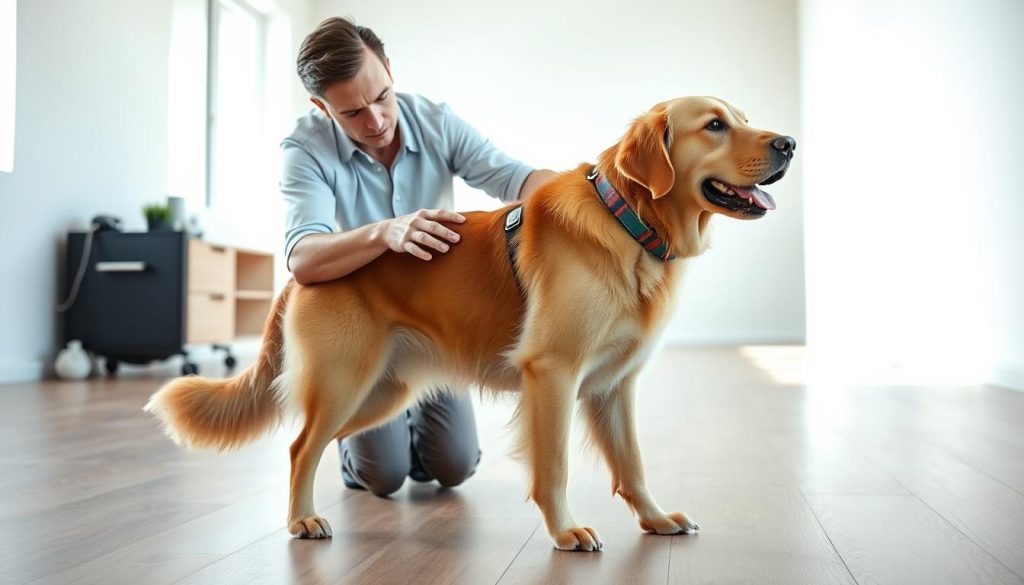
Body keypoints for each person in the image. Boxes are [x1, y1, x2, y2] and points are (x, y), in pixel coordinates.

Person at [280, 17, 557, 497]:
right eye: (351, 113)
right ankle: (363, 452)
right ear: (320, 106)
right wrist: (385, 233)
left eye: (381, 97)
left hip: (435, 323)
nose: (376, 121)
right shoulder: (304, 150)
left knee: (455, 466)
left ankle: (410, 432)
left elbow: (517, 179)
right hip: (362, 319)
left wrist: (578, 198)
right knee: (381, 477)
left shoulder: (436, 121)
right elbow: (303, 258)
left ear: (389, 69)